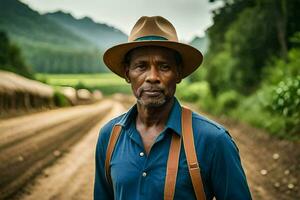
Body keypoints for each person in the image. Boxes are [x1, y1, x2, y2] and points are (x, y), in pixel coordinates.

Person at [94, 16, 252, 200]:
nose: (152, 77)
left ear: (178, 73)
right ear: (127, 73)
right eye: (141, 66)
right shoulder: (109, 137)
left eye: (164, 66)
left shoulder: (214, 141)